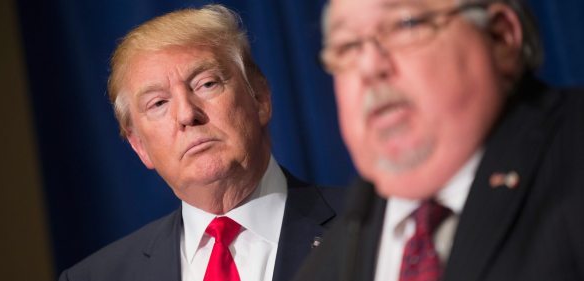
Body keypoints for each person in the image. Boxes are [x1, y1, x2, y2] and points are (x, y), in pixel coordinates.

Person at [294, 0, 584, 280]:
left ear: (500, 36)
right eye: (347, 46)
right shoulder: (325, 265)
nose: (369, 68)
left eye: (405, 25)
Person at [59, 5, 343, 281]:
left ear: (259, 99)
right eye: (158, 103)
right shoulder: (95, 276)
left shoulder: (368, 226)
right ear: (139, 147)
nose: (186, 114)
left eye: (206, 84)